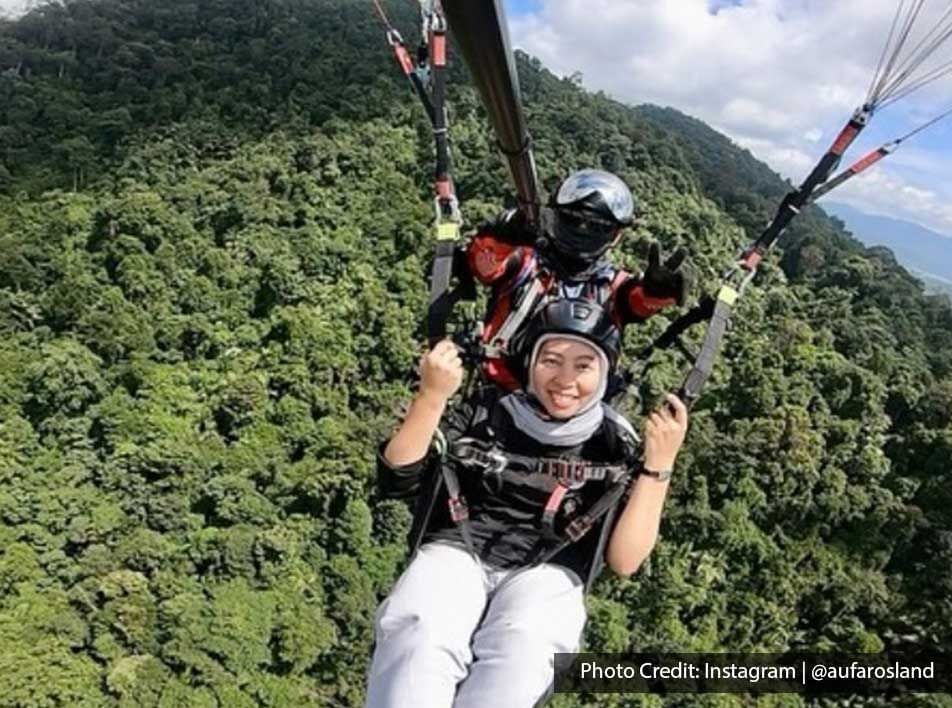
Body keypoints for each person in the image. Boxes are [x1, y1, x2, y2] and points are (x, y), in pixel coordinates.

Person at [365, 299, 689, 708]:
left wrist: (659, 465)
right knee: (421, 626)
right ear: (530, 361)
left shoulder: (613, 443)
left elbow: (624, 561)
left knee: (528, 645)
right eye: (551, 360)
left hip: (549, 567)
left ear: (605, 373)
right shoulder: (486, 412)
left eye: (584, 366)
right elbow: (398, 476)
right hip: (459, 549)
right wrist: (431, 398)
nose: (565, 380)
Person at [461, 168, 690, 392]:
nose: (583, 230)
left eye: (597, 226)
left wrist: (658, 291)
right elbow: (485, 265)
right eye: (573, 220)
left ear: (616, 234)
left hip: (572, 408)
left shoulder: (613, 286)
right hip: (499, 394)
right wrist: (504, 235)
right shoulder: (525, 260)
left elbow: (639, 301)